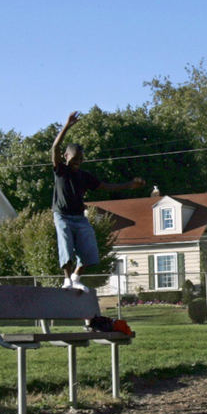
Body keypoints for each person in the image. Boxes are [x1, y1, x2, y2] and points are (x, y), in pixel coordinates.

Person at [52, 111, 146, 292]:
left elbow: (105, 187)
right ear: (66, 156)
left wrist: (129, 185)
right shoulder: (60, 171)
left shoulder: (85, 176)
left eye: (81, 159)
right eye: (74, 158)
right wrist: (66, 126)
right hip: (62, 216)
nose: (78, 162)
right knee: (65, 243)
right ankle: (67, 280)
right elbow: (55, 148)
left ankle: (76, 277)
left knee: (90, 249)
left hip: (79, 217)